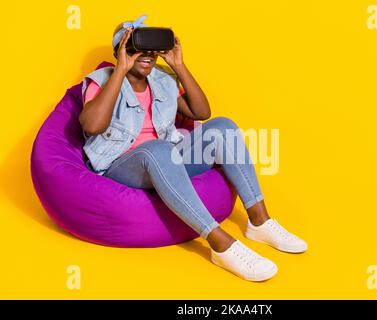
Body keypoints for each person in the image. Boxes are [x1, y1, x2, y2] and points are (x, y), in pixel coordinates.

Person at [79, 15, 307, 282]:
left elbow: (202, 112)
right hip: (123, 165)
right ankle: (219, 242)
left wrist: (179, 65)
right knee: (157, 149)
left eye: (151, 48)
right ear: (120, 50)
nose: (146, 55)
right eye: (135, 46)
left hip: (166, 161)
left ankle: (260, 221)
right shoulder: (101, 80)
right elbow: (92, 126)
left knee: (222, 126)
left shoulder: (162, 80)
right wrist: (120, 70)